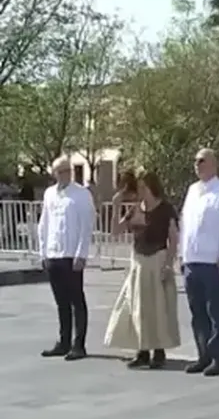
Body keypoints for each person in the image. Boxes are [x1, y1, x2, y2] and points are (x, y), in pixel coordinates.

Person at [104, 171, 182, 368]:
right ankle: (142, 350)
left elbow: (173, 239)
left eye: (141, 187)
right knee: (138, 307)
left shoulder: (165, 209)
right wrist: (116, 206)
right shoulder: (136, 210)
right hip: (139, 261)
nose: (138, 191)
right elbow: (116, 231)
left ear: (150, 187)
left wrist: (168, 265)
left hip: (157, 259)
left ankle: (158, 351)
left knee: (157, 307)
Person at [179, 148, 219, 377]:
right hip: (192, 260)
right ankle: (203, 354)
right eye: (195, 161)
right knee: (198, 312)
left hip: (213, 261)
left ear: (213, 163)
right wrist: (182, 256)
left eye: (201, 160)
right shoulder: (193, 190)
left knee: (216, 311)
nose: (197, 164)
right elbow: (186, 225)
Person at [37, 156, 95, 360]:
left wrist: (81, 254)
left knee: (76, 300)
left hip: (72, 255)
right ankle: (63, 341)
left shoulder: (81, 194)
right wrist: (43, 252)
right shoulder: (49, 194)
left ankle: (79, 344)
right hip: (54, 253)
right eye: (60, 171)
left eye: (67, 170)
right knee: (61, 301)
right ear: (54, 173)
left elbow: (87, 226)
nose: (65, 175)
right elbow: (44, 224)